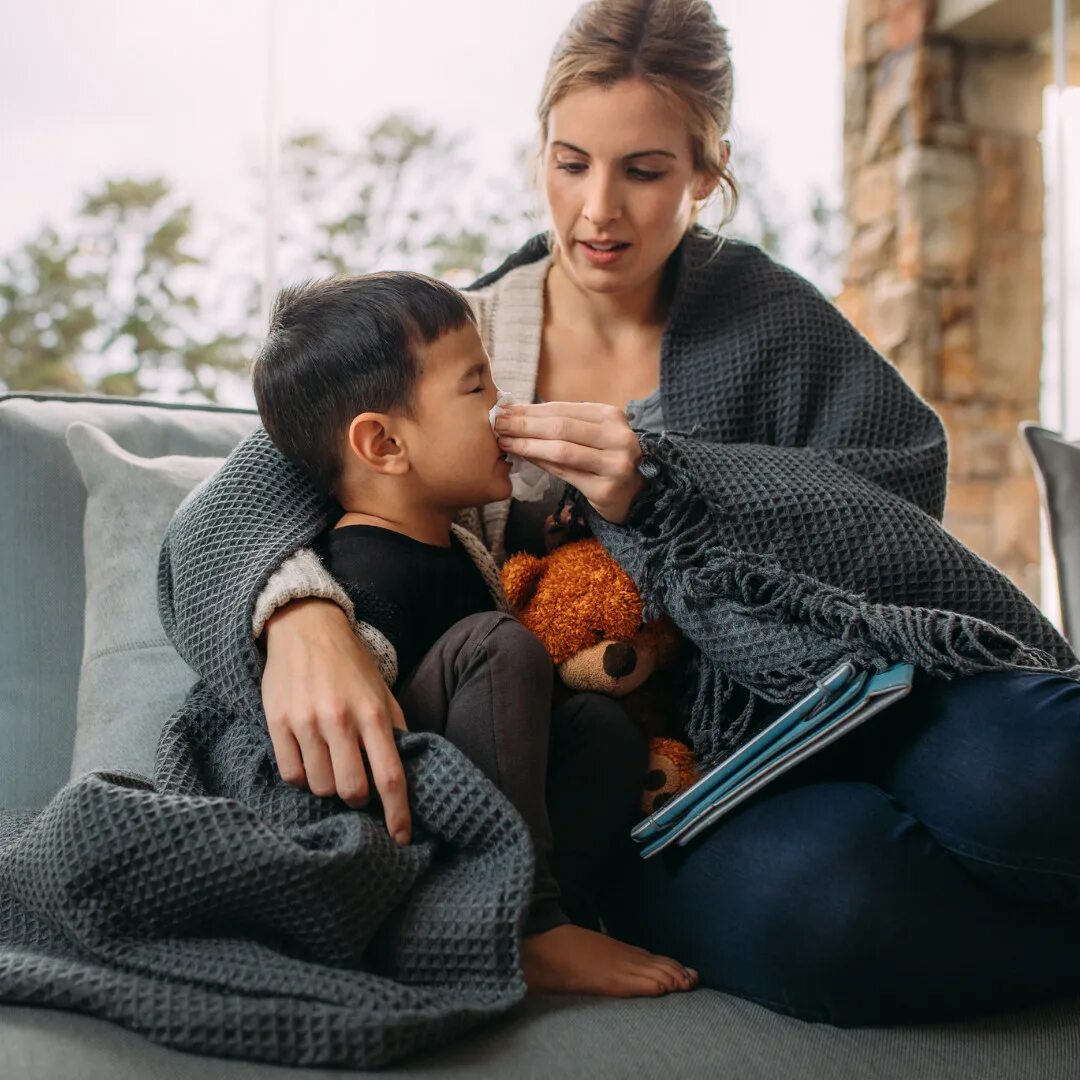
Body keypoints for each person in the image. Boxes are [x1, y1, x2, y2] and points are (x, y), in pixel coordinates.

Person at [163, 0, 1080, 1024]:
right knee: (831, 910)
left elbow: (894, 497)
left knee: (1044, 767)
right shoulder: (463, 338)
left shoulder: (771, 323)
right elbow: (229, 511)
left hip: (855, 690)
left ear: (707, 169)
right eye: (569, 162)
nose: (598, 210)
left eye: (645, 171)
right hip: (666, 786)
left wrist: (668, 481)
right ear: (537, 153)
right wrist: (298, 616)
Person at [249, 269, 698, 998]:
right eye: (477, 387)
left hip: (477, 819)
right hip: (395, 828)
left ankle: (559, 911)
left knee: (600, 726)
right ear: (384, 444)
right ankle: (527, 925)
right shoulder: (358, 569)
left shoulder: (460, 545)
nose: (504, 407)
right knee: (500, 642)